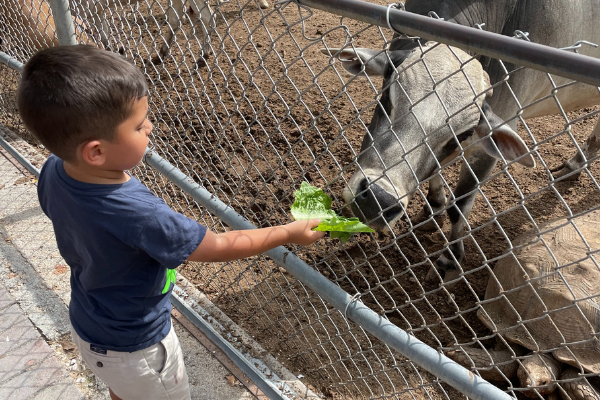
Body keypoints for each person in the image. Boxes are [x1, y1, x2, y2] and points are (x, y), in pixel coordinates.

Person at [17, 44, 325, 400]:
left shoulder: (55, 170)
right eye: (138, 125)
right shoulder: (139, 213)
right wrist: (288, 233)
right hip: (139, 347)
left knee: (123, 390)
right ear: (96, 151)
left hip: (91, 323)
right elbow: (217, 246)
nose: (150, 126)